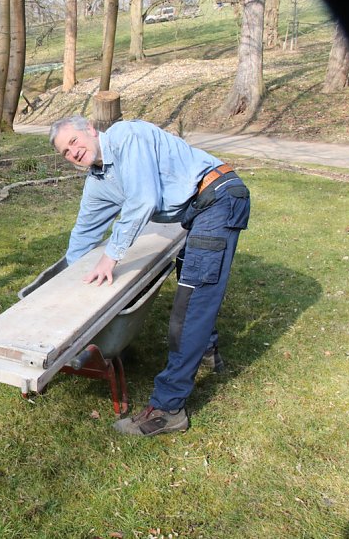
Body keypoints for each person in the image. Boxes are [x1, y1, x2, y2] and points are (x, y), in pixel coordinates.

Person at [49, 116, 251, 436]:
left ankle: (169, 409)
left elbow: (145, 199)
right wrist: (68, 285)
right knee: (192, 286)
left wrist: (111, 256)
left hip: (218, 197)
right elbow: (84, 234)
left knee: (190, 304)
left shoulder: (126, 136)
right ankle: (208, 352)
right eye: (64, 152)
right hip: (197, 210)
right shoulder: (99, 181)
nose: (72, 152)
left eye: (73, 141)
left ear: (90, 129)